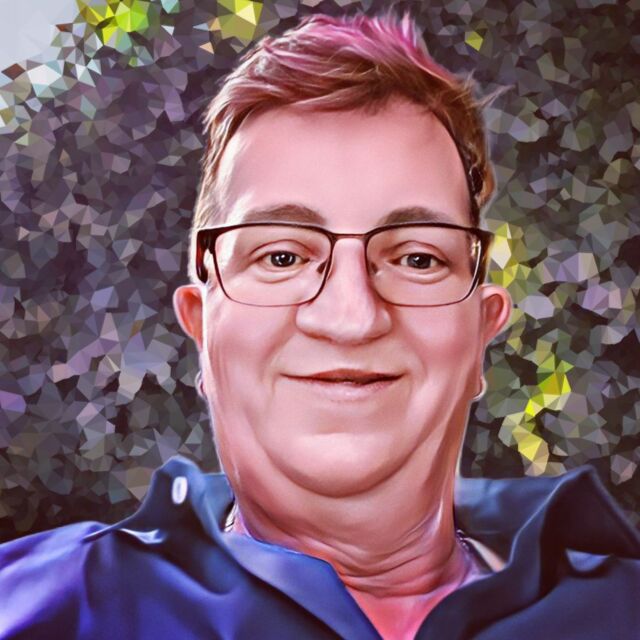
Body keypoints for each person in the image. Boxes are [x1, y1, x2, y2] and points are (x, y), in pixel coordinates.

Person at [1, 11, 638, 640]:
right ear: (202, 326)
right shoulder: (39, 612)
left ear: (479, 332)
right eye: (281, 256)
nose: (351, 318)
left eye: (417, 258)